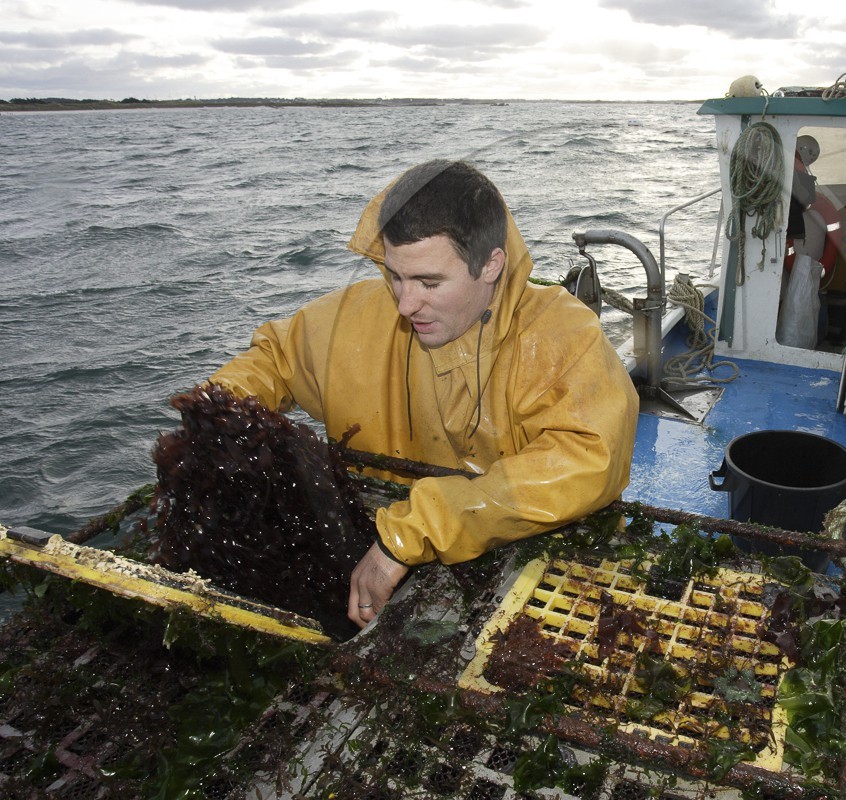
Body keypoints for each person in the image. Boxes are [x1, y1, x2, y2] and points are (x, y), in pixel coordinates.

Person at [209, 160, 639, 628]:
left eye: (429, 283)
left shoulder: (562, 336)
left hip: (538, 570)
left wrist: (415, 529)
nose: (405, 303)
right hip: (377, 546)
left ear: (491, 264)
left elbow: (586, 459)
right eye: (395, 275)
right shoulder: (357, 317)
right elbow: (275, 358)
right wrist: (214, 415)